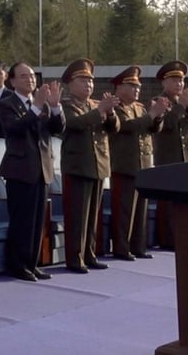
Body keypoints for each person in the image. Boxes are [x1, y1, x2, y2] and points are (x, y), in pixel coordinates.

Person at [0, 62, 64, 281]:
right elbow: (15, 128)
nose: (30, 80)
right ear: (12, 81)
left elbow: (57, 129)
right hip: (20, 170)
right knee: (21, 220)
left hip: (42, 169)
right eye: (24, 77)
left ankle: (32, 263)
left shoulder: (42, 104)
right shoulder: (7, 103)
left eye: (33, 76)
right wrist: (36, 106)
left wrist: (54, 107)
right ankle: (17, 265)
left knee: (37, 221)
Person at [60, 58, 119, 273]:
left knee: (93, 214)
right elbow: (74, 124)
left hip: (98, 166)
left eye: (91, 81)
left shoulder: (95, 104)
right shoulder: (66, 104)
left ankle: (90, 254)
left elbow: (114, 128)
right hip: (78, 167)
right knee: (78, 216)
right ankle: (75, 259)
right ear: (71, 83)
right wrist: (100, 111)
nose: (88, 85)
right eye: (83, 80)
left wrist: (110, 113)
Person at [109, 66, 167, 260]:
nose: (137, 90)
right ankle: (121, 248)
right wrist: (151, 115)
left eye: (138, 86)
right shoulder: (116, 107)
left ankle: (138, 246)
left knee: (140, 210)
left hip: (142, 164)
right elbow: (127, 126)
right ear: (120, 87)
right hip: (124, 165)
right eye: (132, 86)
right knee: (124, 210)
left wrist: (158, 116)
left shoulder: (139, 108)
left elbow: (153, 129)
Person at [151, 60, 188, 249]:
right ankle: (168, 241)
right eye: (174, 80)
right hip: (169, 162)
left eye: (181, 80)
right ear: (164, 83)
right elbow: (166, 125)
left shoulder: (187, 103)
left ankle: (187, 238)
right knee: (168, 207)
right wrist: (181, 107)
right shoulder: (158, 101)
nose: (179, 84)